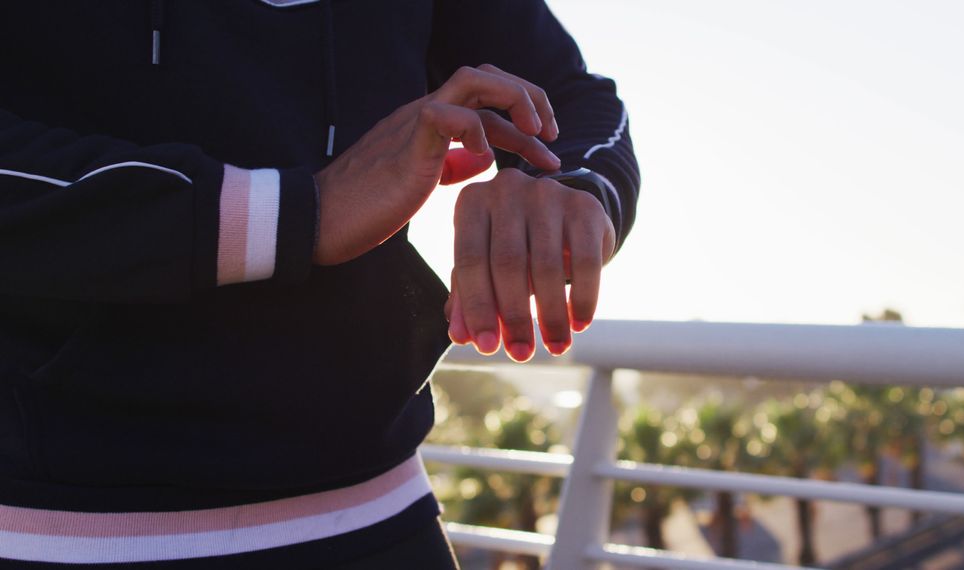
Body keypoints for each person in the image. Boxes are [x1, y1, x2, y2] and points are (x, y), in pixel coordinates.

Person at [0, 0, 638, 568]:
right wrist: (301, 211)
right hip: (60, 532)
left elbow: (570, 95)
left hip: (383, 515)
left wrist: (569, 184)